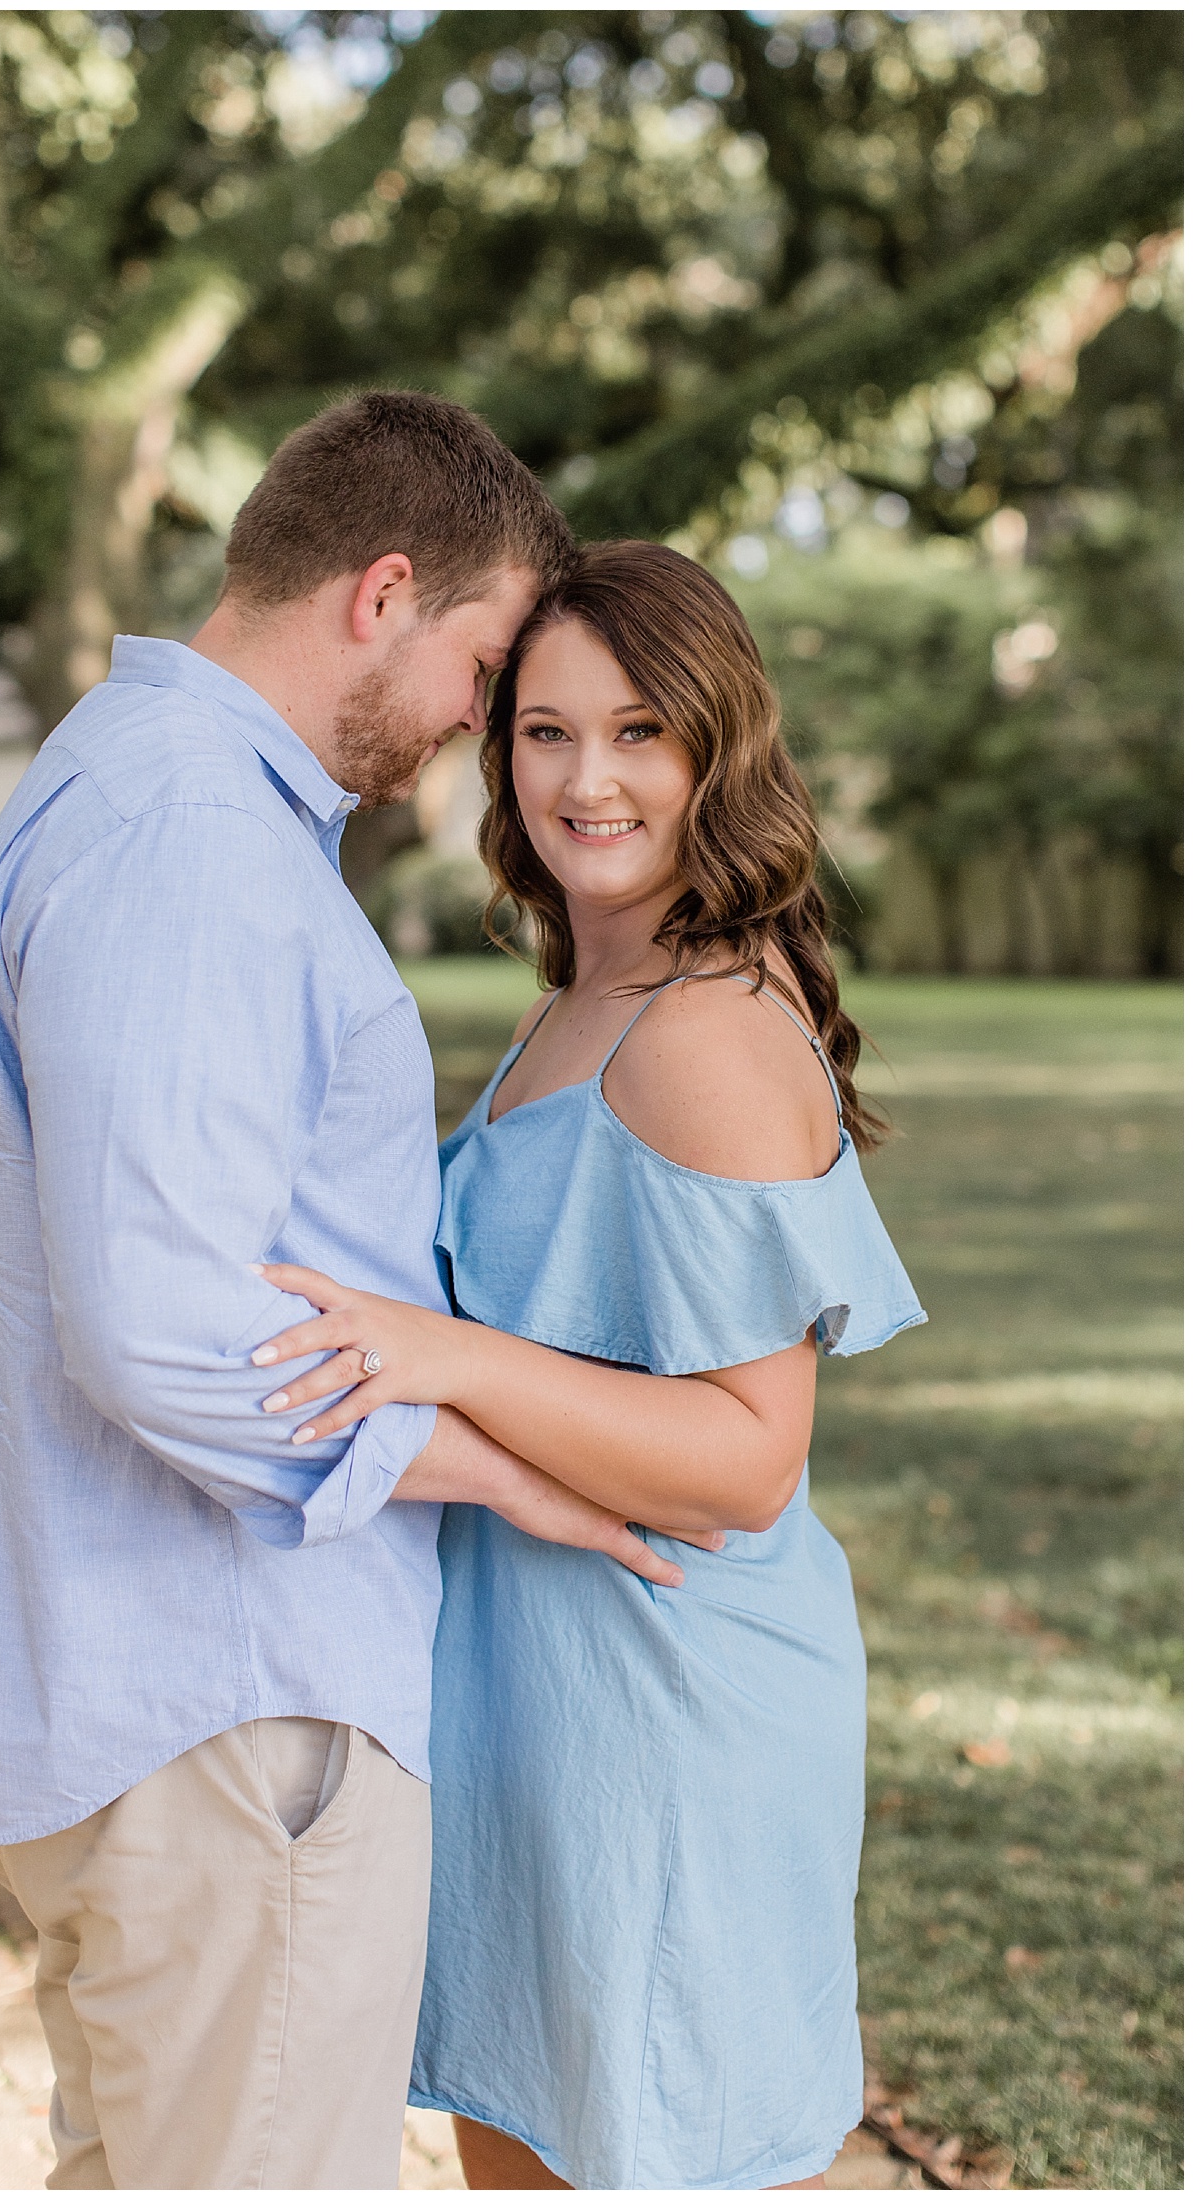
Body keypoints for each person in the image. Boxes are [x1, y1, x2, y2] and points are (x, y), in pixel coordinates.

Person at [0, 394, 696, 2192]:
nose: (481, 732)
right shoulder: (191, 841)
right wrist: (499, 1468)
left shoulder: (141, 791)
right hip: (233, 1715)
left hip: (169, 1709)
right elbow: (158, 1317)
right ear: (382, 594)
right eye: (484, 669)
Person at [250, 540, 928, 2191]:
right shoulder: (586, 991)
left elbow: (747, 1459)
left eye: (637, 732)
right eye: (543, 732)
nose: (585, 778)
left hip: (667, 1702)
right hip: (544, 1694)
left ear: (716, 748)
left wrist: (439, 1355)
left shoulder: (700, 1031)